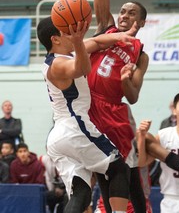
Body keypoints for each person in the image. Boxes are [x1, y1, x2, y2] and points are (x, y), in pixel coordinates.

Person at [37, 16, 137, 213]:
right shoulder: (57, 64)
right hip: (75, 128)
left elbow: (98, 42)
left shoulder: (66, 54)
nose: (72, 34)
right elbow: (82, 68)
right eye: (66, 31)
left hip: (59, 135)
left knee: (81, 194)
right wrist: (77, 42)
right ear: (55, 39)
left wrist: (121, 36)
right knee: (119, 169)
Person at [88, 0, 149, 212]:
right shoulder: (107, 27)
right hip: (86, 104)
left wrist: (124, 81)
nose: (124, 15)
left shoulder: (141, 55)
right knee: (102, 169)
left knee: (126, 171)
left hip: (112, 111)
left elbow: (133, 97)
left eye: (131, 13)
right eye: (123, 11)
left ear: (141, 22)